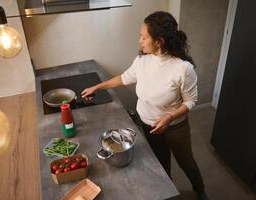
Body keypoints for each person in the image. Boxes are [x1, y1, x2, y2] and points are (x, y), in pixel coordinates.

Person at [81, 11, 208, 200]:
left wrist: (170, 117)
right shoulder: (142, 60)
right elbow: (124, 78)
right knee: (160, 163)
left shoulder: (183, 69)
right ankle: (169, 192)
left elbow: (191, 101)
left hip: (175, 128)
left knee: (186, 163)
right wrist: (97, 87)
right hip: (147, 124)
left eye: (143, 37)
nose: (139, 41)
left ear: (159, 41)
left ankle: (200, 190)